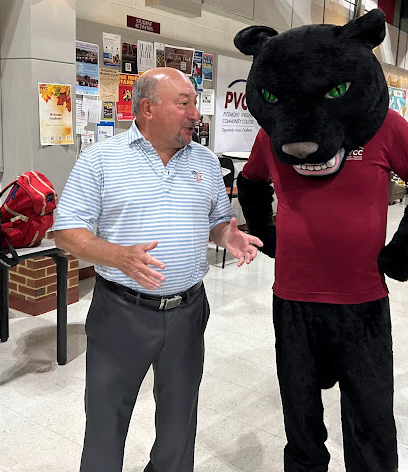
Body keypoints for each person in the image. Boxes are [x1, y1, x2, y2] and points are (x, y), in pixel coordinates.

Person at [54, 67, 263, 472]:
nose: (196, 114)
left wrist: (228, 237)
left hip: (187, 311)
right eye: (184, 103)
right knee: (105, 418)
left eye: (195, 104)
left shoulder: (204, 161)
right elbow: (66, 232)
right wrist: (118, 256)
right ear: (147, 108)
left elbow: (218, 221)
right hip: (121, 312)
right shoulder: (101, 159)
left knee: (179, 420)